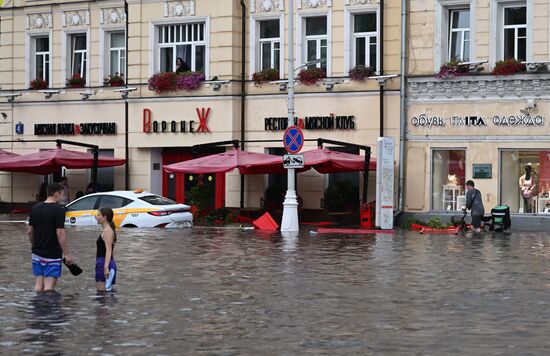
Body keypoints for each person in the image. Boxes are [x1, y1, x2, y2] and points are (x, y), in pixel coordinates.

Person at [27, 183, 74, 292]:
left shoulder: (35, 208)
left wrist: (35, 245)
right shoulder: (59, 210)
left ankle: (36, 308)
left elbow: (29, 231)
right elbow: (60, 233)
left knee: (38, 285)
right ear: (56, 194)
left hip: (36, 253)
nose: (63, 197)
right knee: (49, 287)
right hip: (52, 254)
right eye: (62, 194)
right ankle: (49, 308)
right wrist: (67, 254)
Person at [95, 207, 117, 291]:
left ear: (105, 217)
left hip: (103, 263)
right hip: (107, 262)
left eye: (98, 215)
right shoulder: (109, 230)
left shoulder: (107, 231)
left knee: (101, 293)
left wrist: (106, 267)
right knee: (106, 293)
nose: (96, 217)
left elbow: (109, 250)